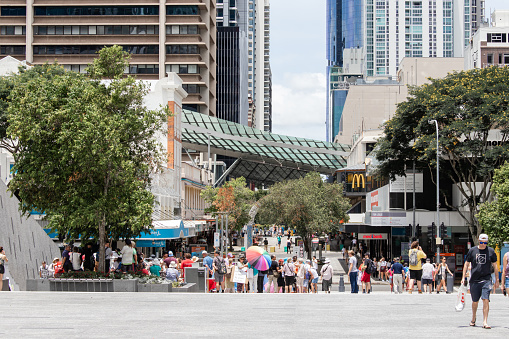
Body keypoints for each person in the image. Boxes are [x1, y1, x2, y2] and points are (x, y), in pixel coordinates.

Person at [462, 234, 498, 329]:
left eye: (485, 243)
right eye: (481, 242)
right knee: (475, 301)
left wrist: (497, 279)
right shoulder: (472, 250)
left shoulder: (491, 251)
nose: (483, 244)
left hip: (486, 279)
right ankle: (473, 318)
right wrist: (463, 277)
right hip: (474, 279)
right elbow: (466, 264)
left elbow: (495, 265)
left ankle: (485, 321)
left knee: (486, 299)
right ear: (478, 240)